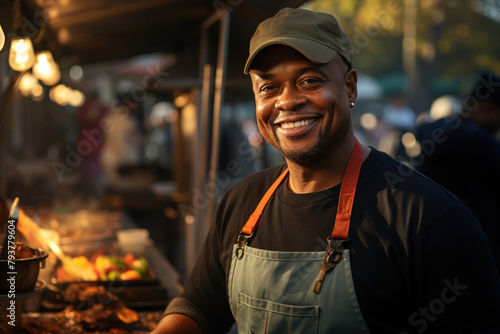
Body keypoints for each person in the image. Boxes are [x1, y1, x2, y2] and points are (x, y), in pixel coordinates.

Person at [153, 8, 500, 334]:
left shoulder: (429, 219)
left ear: (349, 86)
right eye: (269, 87)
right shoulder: (240, 204)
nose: (287, 101)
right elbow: (198, 305)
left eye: (308, 81)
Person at [412, 71, 500, 277]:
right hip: (480, 257)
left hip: (430, 254)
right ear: (488, 109)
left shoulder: (440, 136)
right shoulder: (483, 144)